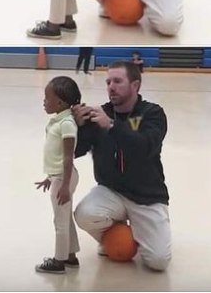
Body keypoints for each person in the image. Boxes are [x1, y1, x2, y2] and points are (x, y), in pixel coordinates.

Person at [72, 61, 171, 271]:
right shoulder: (98, 115)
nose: (111, 86)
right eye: (108, 81)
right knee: (84, 213)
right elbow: (75, 152)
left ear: (135, 86)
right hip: (111, 191)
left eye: (117, 81)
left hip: (147, 197)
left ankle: (140, 230)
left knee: (158, 261)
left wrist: (111, 126)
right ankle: (114, 233)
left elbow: (144, 147)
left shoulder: (153, 114)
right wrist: (78, 128)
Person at [35, 77, 82, 274]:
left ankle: (58, 261)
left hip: (64, 177)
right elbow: (56, 155)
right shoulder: (59, 120)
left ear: (61, 103)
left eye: (47, 98)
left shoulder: (67, 124)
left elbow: (68, 158)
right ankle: (71, 255)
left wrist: (63, 185)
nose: (44, 101)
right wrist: (50, 177)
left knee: (59, 221)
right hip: (59, 176)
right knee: (66, 218)